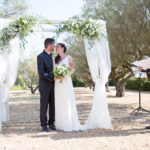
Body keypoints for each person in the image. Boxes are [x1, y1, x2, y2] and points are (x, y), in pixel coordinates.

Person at [52, 43, 83, 131]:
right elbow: (54, 70)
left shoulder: (68, 57)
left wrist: (66, 76)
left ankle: (69, 122)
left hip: (66, 81)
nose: (56, 48)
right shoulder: (55, 58)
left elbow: (73, 69)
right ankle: (60, 124)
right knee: (59, 100)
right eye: (55, 47)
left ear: (62, 48)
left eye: (57, 46)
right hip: (58, 82)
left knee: (67, 100)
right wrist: (53, 60)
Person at [37, 38, 56, 132]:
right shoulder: (40, 56)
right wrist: (52, 78)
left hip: (54, 85)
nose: (54, 46)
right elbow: (41, 72)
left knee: (53, 104)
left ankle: (51, 123)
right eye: (53, 44)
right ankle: (44, 125)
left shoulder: (53, 56)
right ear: (49, 45)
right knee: (44, 105)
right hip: (44, 85)